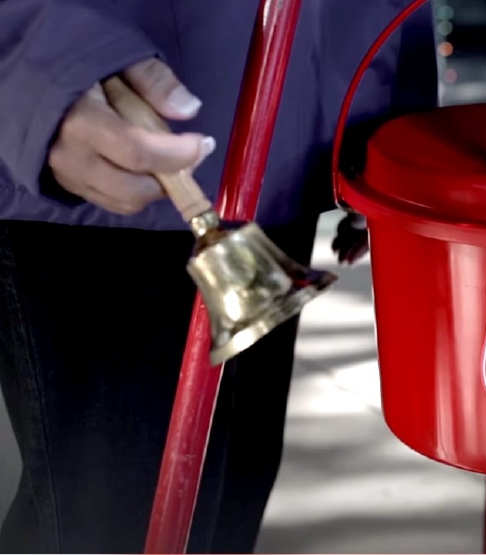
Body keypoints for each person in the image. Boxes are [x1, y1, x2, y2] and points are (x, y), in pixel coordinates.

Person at [0, 0, 435, 552]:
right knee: (113, 526)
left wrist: (385, 120)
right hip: (110, 140)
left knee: (229, 504)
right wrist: (25, 57)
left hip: (291, 124)